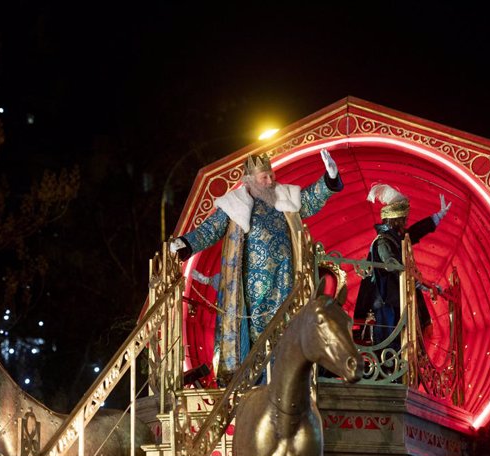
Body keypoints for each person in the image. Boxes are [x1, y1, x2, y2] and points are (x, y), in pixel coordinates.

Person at [170, 149, 343, 385]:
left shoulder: (284, 199)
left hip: (285, 283)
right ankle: (257, 384)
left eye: (271, 175)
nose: (271, 181)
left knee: (285, 331)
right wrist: (186, 243)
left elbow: (311, 200)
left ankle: (285, 381)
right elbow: (210, 230)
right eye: (264, 177)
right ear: (250, 181)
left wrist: (329, 179)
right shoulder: (234, 205)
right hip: (251, 289)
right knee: (255, 336)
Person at [353, 184, 451, 347]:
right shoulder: (383, 242)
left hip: (398, 300)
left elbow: (415, 232)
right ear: (397, 220)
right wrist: (421, 282)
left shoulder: (397, 238)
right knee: (394, 346)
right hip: (387, 304)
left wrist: (438, 216)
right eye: (404, 219)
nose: (406, 222)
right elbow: (393, 265)